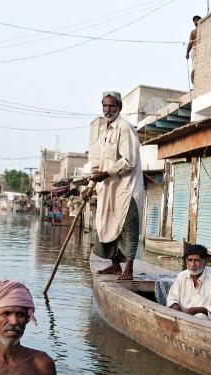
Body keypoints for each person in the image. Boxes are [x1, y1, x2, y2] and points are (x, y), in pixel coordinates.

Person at [83, 91, 145, 281]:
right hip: (107, 190)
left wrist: (106, 173)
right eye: (105, 105)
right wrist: (90, 186)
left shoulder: (124, 127)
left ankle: (129, 269)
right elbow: (96, 164)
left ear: (119, 107)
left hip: (126, 188)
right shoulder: (103, 131)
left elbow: (129, 161)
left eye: (112, 106)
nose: (108, 109)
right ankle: (115, 265)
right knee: (105, 225)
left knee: (128, 226)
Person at [166, 244, 211, 323]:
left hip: (208, 324)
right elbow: (171, 298)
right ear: (186, 261)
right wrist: (175, 307)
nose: (192, 265)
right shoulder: (182, 276)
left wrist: (198, 310)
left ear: (205, 261)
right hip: (182, 318)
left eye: (197, 260)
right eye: (190, 260)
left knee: (200, 316)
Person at [186, 15, 200, 82]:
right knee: (194, 64)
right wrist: (187, 53)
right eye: (194, 21)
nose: (195, 21)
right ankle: (194, 76)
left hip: (201, 47)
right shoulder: (193, 32)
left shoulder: (203, 28)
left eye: (197, 20)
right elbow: (190, 43)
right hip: (195, 48)